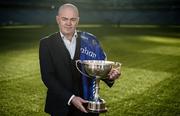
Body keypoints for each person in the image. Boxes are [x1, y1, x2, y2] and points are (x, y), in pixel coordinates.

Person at [39, 3, 121, 116]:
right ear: (58, 19)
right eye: (64, 19)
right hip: (60, 107)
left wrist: (110, 75)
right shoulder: (46, 43)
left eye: (73, 19)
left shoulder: (90, 41)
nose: (68, 23)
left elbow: (98, 68)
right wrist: (71, 98)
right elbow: (48, 77)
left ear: (78, 21)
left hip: (87, 104)